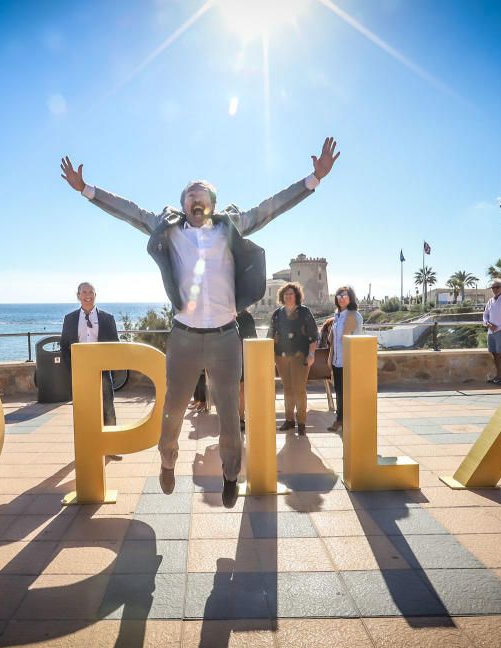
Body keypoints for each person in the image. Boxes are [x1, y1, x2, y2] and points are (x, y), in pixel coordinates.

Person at [60, 136, 339, 507]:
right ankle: (167, 460)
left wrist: (313, 179)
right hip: (185, 337)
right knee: (173, 410)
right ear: (182, 204)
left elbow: (272, 206)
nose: (195, 197)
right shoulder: (169, 229)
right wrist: (86, 190)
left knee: (229, 412)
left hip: (226, 337)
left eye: (201, 192)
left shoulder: (232, 226)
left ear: (213, 203)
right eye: (190, 193)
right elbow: (130, 211)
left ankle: (229, 474)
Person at [60, 281, 119, 426]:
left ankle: (110, 442)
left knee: (107, 408)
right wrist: (72, 368)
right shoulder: (69, 319)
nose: (88, 296)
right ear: (78, 296)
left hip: (103, 371)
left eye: (91, 292)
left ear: (95, 295)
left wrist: (110, 368)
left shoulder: (107, 318)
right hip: (80, 371)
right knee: (83, 408)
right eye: (84, 292)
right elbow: (64, 345)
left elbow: (115, 345)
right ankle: (87, 442)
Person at [267, 282, 320, 436]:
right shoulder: (277, 313)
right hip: (280, 356)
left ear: (297, 295)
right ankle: (289, 420)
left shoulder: (304, 312)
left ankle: (301, 422)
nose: (288, 296)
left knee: (299, 389)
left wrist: (311, 354)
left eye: (291, 294)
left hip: (300, 356)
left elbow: (313, 336)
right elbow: (270, 335)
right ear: (282, 296)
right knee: (287, 388)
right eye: (286, 294)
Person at [327, 285, 363, 432]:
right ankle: (340, 419)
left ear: (351, 298)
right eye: (339, 295)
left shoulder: (355, 316)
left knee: (347, 392)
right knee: (339, 391)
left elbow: (357, 340)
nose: (341, 298)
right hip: (336, 360)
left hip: (348, 361)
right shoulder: (337, 316)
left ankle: (347, 420)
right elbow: (334, 339)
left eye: (345, 295)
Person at [236, 307, 257, 431]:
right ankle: (232, 418)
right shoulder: (223, 316)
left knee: (242, 389)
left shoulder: (247, 317)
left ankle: (240, 418)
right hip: (226, 357)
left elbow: (252, 338)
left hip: (243, 356)